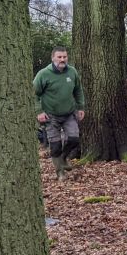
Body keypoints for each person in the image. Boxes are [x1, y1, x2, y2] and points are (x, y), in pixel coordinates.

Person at [33, 47, 85, 179]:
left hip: (69, 113)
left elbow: (78, 90)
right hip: (50, 116)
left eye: (64, 57)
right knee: (55, 145)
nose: (62, 59)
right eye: (59, 57)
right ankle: (60, 172)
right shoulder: (43, 74)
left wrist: (81, 107)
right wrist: (39, 111)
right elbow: (33, 94)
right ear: (53, 58)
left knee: (74, 138)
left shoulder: (72, 72)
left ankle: (63, 158)